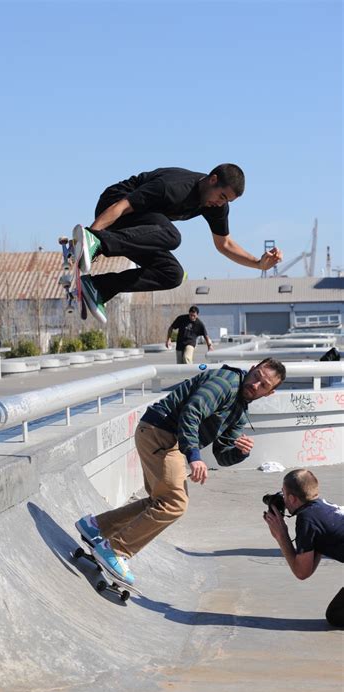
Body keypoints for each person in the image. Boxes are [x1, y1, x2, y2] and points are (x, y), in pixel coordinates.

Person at [76, 357, 286, 584]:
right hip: (161, 432)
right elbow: (192, 411)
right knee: (174, 503)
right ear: (252, 369)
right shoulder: (226, 382)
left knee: (160, 502)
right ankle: (114, 550)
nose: (255, 385)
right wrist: (194, 456)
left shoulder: (239, 411)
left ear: (269, 393)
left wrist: (240, 452)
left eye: (264, 385)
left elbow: (221, 455)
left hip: (163, 437)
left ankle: (96, 525)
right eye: (256, 376)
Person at [73, 165, 283, 323]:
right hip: (114, 204)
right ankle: (97, 241)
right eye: (221, 196)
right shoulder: (174, 186)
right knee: (171, 236)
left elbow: (224, 244)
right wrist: (92, 238)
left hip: (143, 223)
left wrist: (258, 264)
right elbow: (121, 206)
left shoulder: (217, 207)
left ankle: (97, 287)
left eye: (227, 201)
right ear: (212, 179)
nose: (220, 203)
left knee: (172, 274)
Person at [264, 468, 344, 628]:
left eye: (284, 494)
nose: (283, 500)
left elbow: (302, 572)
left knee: (337, 615)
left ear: (293, 499)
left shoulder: (307, 520)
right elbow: (309, 564)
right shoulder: (323, 507)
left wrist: (282, 536)